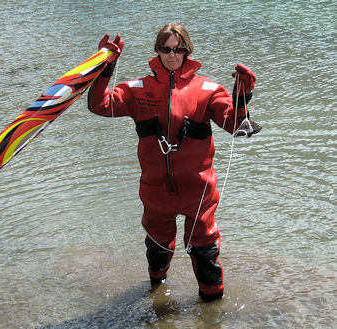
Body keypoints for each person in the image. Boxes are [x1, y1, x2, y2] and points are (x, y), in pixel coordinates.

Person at [87, 23, 256, 302]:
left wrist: (242, 97)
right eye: (166, 49)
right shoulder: (136, 89)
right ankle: (157, 296)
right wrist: (104, 66)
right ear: (157, 51)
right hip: (156, 191)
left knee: (205, 254)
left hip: (198, 192)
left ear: (187, 50)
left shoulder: (208, 90)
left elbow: (236, 125)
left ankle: (211, 315)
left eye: (178, 49)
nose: (172, 55)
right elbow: (99, 105)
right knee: (157, 250)